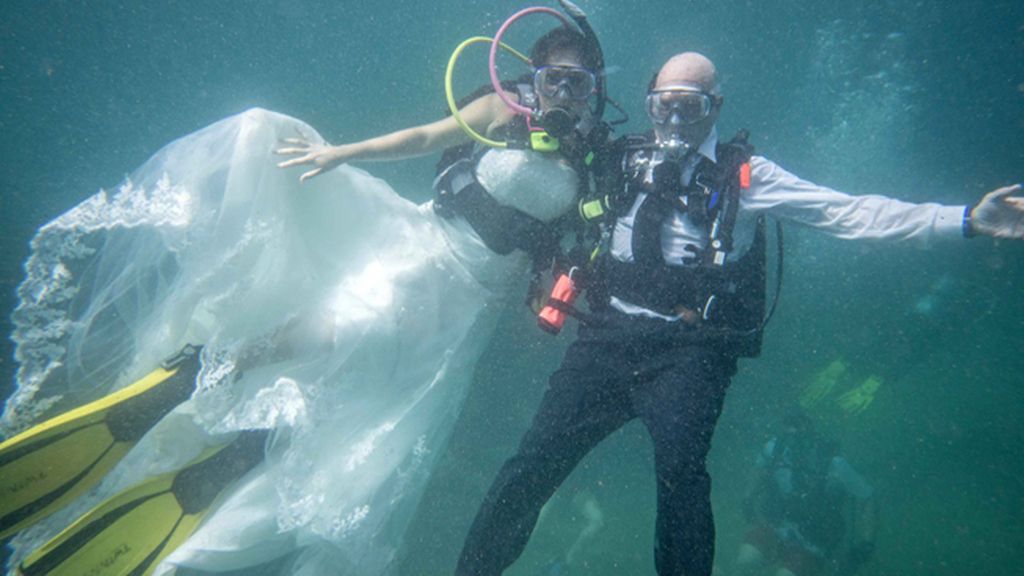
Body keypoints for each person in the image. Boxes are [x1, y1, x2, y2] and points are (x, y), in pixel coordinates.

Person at [1, 18, 616, 576]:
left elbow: (568, 251)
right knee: (349, 326)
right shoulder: (501, 114)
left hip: (468, 313)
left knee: (369, 427)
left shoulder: (591, 162)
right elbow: (422, 136)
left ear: (594, 90)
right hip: (422, 252)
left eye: (578, 84)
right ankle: (206, 369)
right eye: (553, 78)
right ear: (533, 77)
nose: (563, 94)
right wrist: (339, 152)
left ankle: (239, 466)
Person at [455, 52, 1023, 576]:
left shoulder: (749, 177)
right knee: (531, 464)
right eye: (664, 106)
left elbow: (851, 214)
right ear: (648, 104)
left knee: (681, 477)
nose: (675, 121)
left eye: (692, 107)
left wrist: (969, 220)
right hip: (604, 338)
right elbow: (549, 128)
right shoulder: (621, 156)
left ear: (716, 108)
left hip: (688, 352)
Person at [735, 413, 876, 576]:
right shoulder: (775, 450)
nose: (794, 432)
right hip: (778, 524)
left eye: (799, 425)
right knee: (746, 560)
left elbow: (867, 497)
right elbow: (759, 469)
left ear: (811, 429)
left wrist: (867, 542)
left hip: (814, 539)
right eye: (790, 425)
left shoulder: (834, 463)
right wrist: (748, 496)